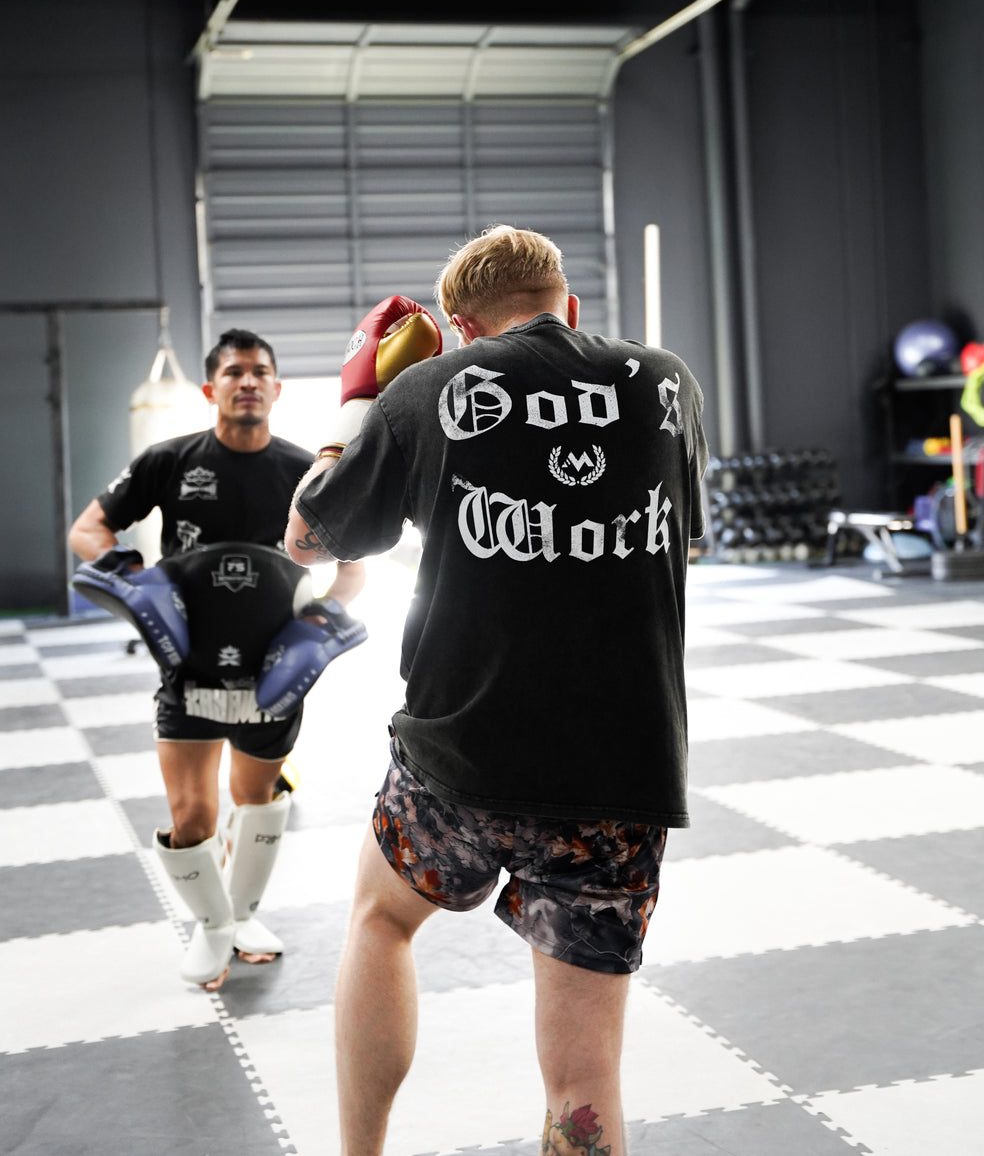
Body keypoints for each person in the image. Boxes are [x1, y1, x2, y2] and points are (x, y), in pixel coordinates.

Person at [285, 226, 708, 1156]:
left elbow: (308, 542)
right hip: (618, 778)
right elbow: (685, 537)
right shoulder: (670, 382)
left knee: (381, 923)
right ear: (571, 304)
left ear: (460, 328)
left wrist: (359, 406)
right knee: (586, 1081)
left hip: (458, 763)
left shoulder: (428, 389)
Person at [69, 327, 366, 990]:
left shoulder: (303, 473)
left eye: (260, 371)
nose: (248, 381)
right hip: (190, 662)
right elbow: (87, 529)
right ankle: (212, 927)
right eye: (234, 372)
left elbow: (350, 569)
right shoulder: (169, 460)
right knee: (191, 816)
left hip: (276, 667)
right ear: (211, 389)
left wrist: (323, 622)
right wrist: (134, 577)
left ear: (277, 389)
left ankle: (243, 914)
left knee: (255, 797)